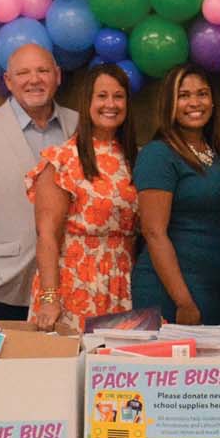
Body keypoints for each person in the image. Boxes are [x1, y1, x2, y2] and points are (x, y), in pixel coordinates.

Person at [0, 43, 78, 322]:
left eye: (43, 70)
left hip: (70, 283)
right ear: (8, 81)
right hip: (6, 286)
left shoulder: (79, 126)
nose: (34, 80)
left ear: (58, 76)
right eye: (23, 73)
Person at [26, 63, 139, 329]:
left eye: (118, 96)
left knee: (116, 368)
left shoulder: (136, 157)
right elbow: (47, 235)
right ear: (86, 102)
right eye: (101, 96)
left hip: (122, 281)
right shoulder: (62, 159)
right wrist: (50, 297)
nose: (110, 104)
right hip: (75, 282)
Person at [131, 66, 220, 325]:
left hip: (216, 288)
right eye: (184, 95)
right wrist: (183, 301)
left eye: (202, 94)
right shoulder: (158, 154)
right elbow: (154, 232)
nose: (195, 103)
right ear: (170, 103)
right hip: (173, 291)